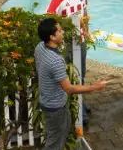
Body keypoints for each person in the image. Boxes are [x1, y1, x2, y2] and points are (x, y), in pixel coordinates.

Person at [35, 18, 107, 150]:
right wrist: (95, 87)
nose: (62, 32)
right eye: (59, 30)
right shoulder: (55, 61)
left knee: (62, 131)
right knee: (55, 142)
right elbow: (69, 88)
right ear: (52, 37)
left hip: (48, 102)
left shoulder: (40, 47)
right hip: (55, 107)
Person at [47, 0, 92, 125]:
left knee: (82, 73)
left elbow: (85, 12)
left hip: (80, 40)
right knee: (68, 74)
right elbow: (49, 19)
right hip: (66, 44)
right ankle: (77, 109)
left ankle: (81, 101)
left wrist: (87, 31)